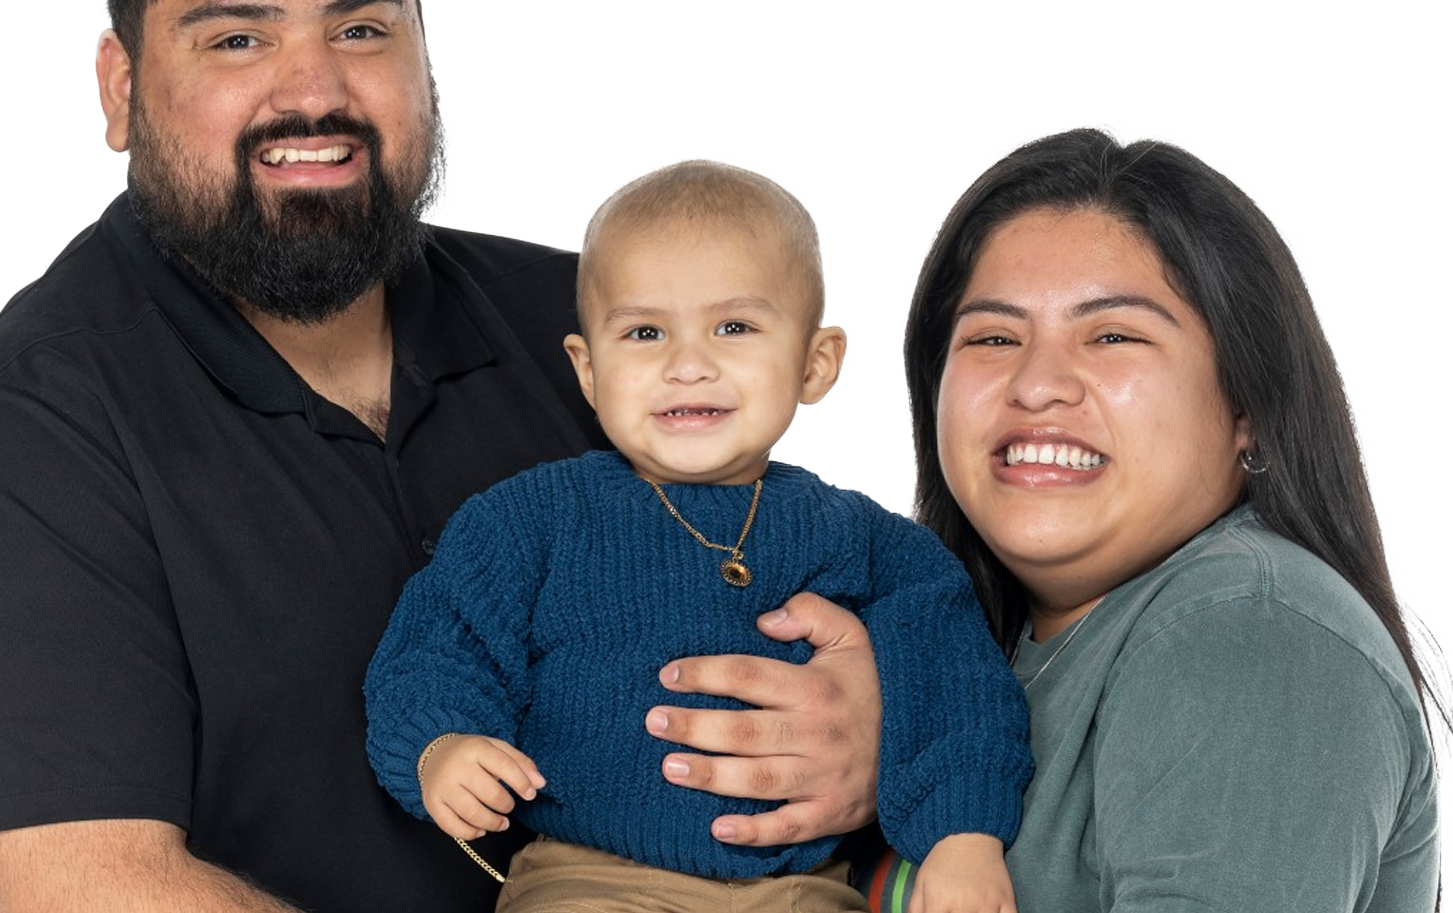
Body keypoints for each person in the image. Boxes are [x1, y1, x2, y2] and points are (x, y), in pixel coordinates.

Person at [0, 0, 884, 913]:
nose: (314, 93)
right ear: (120, 86)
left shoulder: (596, 336)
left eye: (362, 30)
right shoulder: (24, 432)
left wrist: (874, 728)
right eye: (237, 38)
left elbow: (827, 578)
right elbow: (91, 888)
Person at [365, 160, 1033, 912]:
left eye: (734, 326)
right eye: (645, 331)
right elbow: (440, 643)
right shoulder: (529, 519)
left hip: (799, 887)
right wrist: (439, 744)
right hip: (591, 876)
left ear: (816, 363)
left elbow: (955, 685)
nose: (687, 364)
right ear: (588, 369)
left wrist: (961, 838)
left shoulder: (869, 541)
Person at [894, 126, 1453, 911]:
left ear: (1246, 406)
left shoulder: (1246, 629)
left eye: (1112, 334)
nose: (1037, 384)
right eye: (993, 336)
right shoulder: (943, 660)